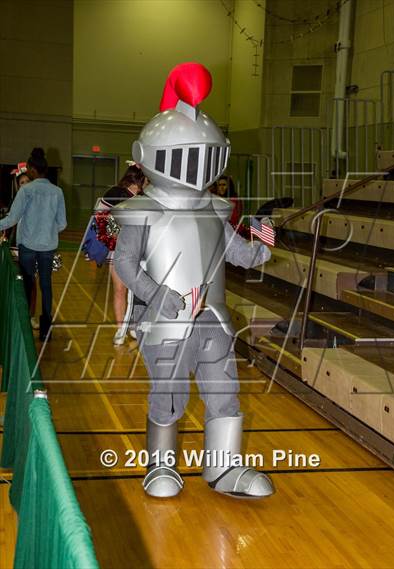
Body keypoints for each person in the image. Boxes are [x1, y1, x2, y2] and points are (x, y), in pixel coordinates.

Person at [113, 62, 274, 499]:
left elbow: (237, 253)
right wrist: (153, 293)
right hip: (166, 321)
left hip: (214, 321)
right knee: (168, 395)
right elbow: (125, 264)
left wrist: (260, 242)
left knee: (224, 392)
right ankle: (160, 467)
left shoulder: (215, 211)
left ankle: (223, 468)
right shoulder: (140, 211)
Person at [0, 148, 67, 341]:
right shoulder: (58, 192)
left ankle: (25, 327)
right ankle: (46, 329)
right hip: (48, 247)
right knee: (46, 286)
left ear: (32, 169)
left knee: (27, 286)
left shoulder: (26, 190)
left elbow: (12, 219)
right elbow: (62, 224)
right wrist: (47, 230)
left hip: (28, 247)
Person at [97, 163, 147, 345]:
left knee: (138, 290)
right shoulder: (114, 193)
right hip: (117, 249)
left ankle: (133, 325)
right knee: (120, 289)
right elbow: (99, 217)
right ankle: (121, 328)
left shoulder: (145, 197)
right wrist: (112, 235)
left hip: (140, 251)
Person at [7, 163, 39, 329]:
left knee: (31, 282)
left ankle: (31, 315)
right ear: (17, 186)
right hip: (14, 248)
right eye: (22, 183)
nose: (25, 185)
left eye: (28, 181)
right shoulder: (14, 203)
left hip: (32, 247)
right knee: (16, 282)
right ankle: (16, 315)